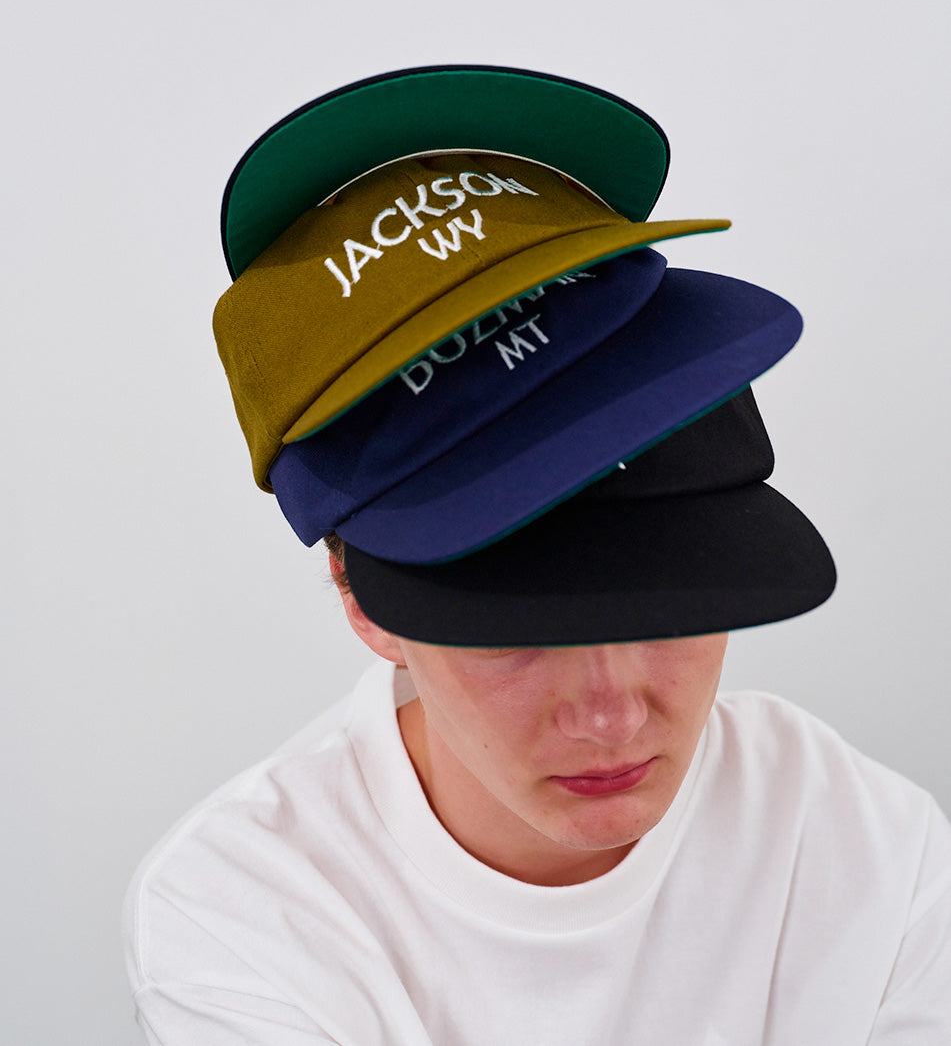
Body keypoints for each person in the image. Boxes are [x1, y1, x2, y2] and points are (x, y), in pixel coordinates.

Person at [124, 66, 951, 1044]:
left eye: (666, 603)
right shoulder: (245, 917)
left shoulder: (862, 843)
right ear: (359, 596)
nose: (611, 711)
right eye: (517, 630)